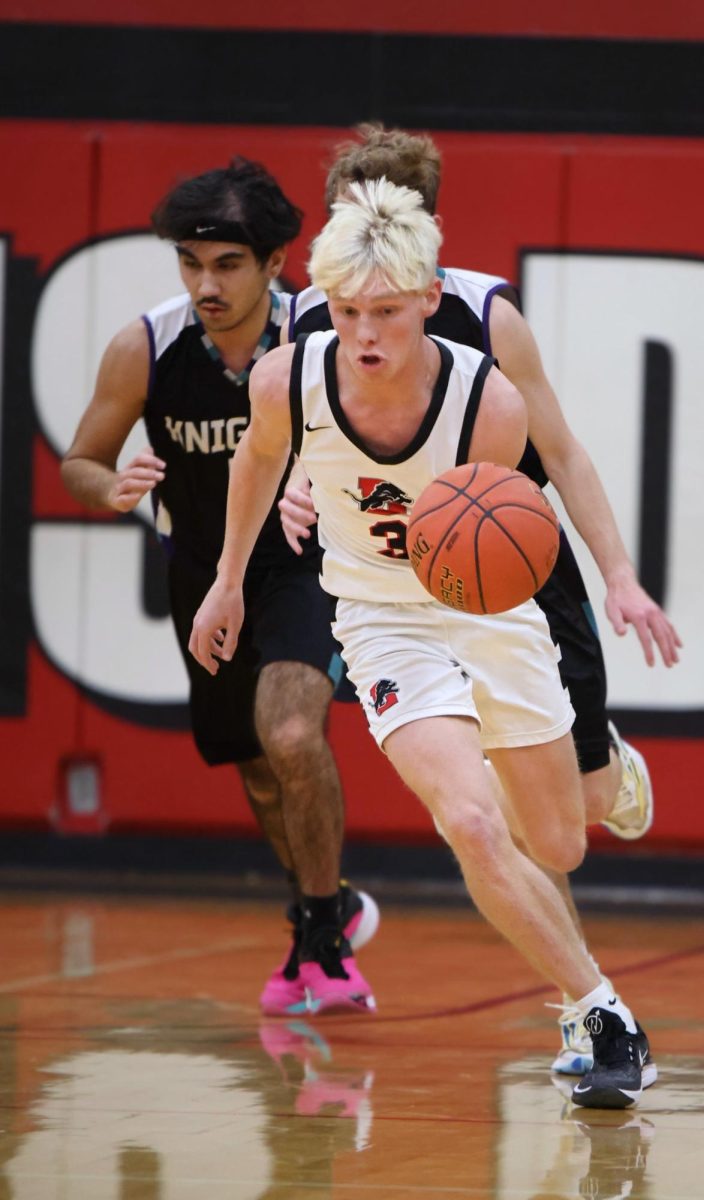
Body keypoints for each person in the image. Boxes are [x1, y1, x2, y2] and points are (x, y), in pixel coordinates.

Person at [190, 177, 655, 1109]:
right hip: (380, 618)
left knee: (557, 841)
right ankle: (597, 1011)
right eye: (350, 311)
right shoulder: (291, 377)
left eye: (389, 313)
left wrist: (612, 575)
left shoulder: (489, 402)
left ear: (430, 302)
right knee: (471, 822)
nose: (366, 335)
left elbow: (509, 525)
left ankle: (611, 773)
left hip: (487, 610)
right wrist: (229, 579)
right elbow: (254, 462)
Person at [60, 157, 377, 1016]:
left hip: (304, 567)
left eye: (227, 264)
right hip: (203, 576)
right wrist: (112, 484)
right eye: (191, 262)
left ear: (277, 263)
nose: (206, 282)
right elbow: (79, 461)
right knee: (258, 766)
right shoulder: (147, 345)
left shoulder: (320, 333)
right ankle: (329, 903)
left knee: (290, 730)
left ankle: (320, 940)